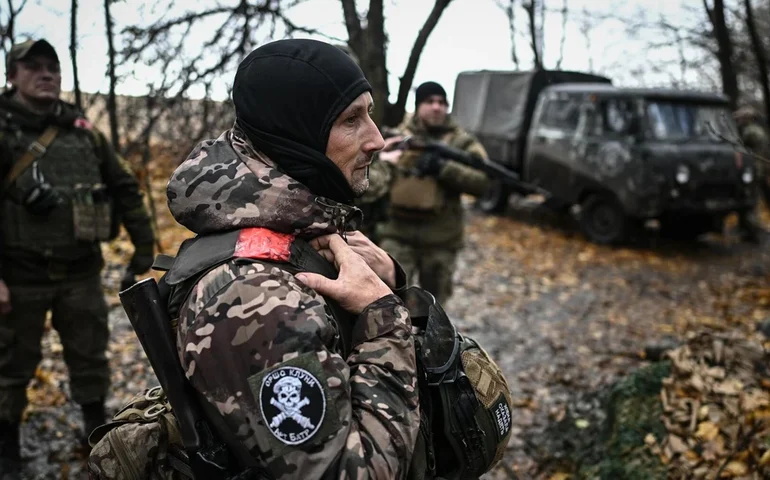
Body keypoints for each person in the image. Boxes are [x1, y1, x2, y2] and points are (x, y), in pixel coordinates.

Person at [124, 39, 418, 477]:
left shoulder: (304, 225)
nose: (376, 139)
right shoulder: (248, 293)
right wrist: (385, 318)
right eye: (351, 120)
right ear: (295, 132)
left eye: (369, 112)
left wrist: (390, 279)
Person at [0, 39, 155, 474]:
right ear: (12, 75)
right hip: (19, 273)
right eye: (34, 67)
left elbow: (124, 187)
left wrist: (143, 247)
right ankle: (7, 449)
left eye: (53, 67)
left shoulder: (82, 132)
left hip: (82, 271)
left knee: (90, 356)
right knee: (10, 364)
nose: (46, 73)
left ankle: (94, 433)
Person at [378, 81, 490, 303]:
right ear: (419, 106)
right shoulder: (398, 138)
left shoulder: (461, 142)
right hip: (397, 235)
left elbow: (483, 182)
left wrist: (444, 168)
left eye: (442, 102)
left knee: (434, 310)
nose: (437, 107)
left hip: (441, 239)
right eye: (430, 101)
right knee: (387, 301)